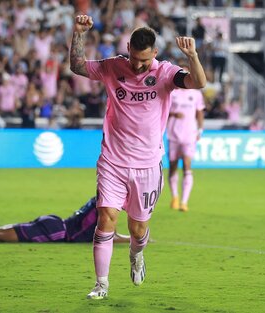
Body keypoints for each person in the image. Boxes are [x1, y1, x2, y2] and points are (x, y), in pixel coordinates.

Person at [70, 15, 206, 299]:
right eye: (134, 58)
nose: (137, 65)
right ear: (128, 48)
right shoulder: (113, 66)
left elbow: (198, 82)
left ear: (154, 54)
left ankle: (136, 254)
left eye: (144, 60)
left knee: (137, 228)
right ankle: (101, 284)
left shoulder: (165, 73)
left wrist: (192, 55)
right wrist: (79, 34)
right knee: (106, 218)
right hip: (112, 161)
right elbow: (77, 66)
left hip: (147, 166)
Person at [0, 197, 130, 244]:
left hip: (54, 224)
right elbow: (102, 234)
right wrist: (135, 240)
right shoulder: (106, 208)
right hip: (56, 231)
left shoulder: (102, 200)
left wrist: (132, 239)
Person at [166, 61, 205, 212]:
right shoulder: (172, 91)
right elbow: (162, 109)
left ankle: (184, 201)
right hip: (173, 133)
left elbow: (200, 112)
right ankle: (175, 197)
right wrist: (174, 114)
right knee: (173, 166)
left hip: (189, 134)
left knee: (187, 166)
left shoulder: (195, 93)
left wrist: (200, 130)